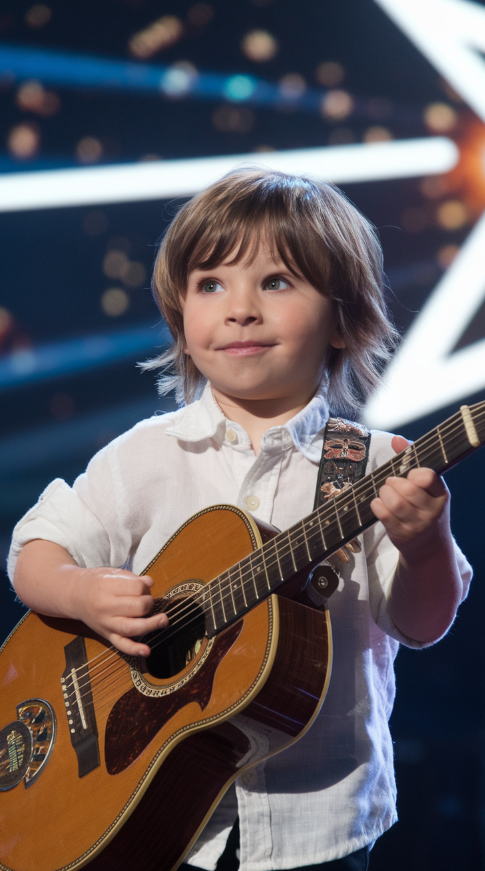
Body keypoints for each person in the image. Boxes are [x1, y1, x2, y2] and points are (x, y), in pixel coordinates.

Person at [8, 168, 471, 871]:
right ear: (180, 319)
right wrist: (79, 593)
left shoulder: (378, 464)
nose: (240, 309)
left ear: (343, 317)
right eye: (210, 284)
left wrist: (424, 544)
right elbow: (35, 552)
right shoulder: (143, 455)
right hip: (151, 817)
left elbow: (420, 621)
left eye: (276, 282)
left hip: (317, 825)